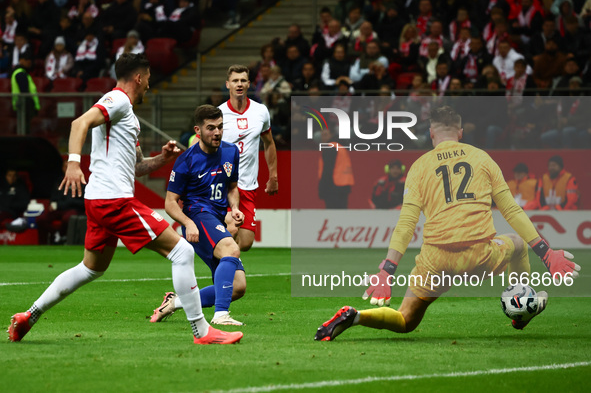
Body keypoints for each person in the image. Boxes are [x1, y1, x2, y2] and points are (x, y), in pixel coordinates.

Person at [7, 53, 242, 345]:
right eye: (148, 81)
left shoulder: (127, 115)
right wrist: (73, 162)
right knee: (182, 252)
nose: (148, 87)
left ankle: (29, 315)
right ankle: (202, 332)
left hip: (99, 201)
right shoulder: (116, 100)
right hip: (113, 200)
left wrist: (162, 159)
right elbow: (79, 124)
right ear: (139, 78)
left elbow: (136, 168)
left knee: (90, 268)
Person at [315, 106, 580, 341]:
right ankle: (521, 308)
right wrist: (546, 253)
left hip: (436, 260)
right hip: (480, 254)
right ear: (461, 132)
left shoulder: (419, 167)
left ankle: (357, 316)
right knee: (518, 244)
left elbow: (406, 223)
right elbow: (510, 210)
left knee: (405, 320)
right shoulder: (482, 158)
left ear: (431, 133)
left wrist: (387, 271)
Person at [150, 105, 246, 326]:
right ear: (198, 130)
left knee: (238, 287)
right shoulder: (187, 160)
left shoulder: (231, 151)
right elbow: (170, 203)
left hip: (218, 218)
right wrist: (188, 223)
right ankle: (221, 315)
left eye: (220, 127)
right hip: (198, 216)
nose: (217, 133)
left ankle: (174, 303)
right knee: (231, 249)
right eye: (211, 128)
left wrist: (235, 208)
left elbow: (232, 187)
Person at [195, 64, 278, 252]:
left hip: (249, 186)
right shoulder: (217, 114)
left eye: (242, 80)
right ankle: (227, 276)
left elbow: (269, 143)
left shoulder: (260, 112)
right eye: (235, 81)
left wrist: (273, 176)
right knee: (230, 233)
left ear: (249, 84)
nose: (239, 84)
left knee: (246, 242)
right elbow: (203, 146)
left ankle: (225, 263)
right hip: (223, 185)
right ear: (228, 84)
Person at [36, 159, 85, 245]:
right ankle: (50, 238)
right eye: (65, 167)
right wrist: (52, 204)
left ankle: (62, 237)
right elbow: (53, 198)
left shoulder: (81, 181)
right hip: (59, 210)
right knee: (40, 219)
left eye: (69, 167)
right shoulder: (59, 181)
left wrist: (60, 204)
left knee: (67, 218)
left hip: (74, 210)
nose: (67, 169)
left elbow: (83, 202)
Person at [318, 126, 354, 209]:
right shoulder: (341, 147)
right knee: (341, 214)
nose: (323, 138)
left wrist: (322, 189)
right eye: (322, 135)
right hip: (344, 187)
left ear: (332, 135)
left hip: (332, 187)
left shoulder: (330, 147)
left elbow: (328, 169)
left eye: (325, 135)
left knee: (332, 215)